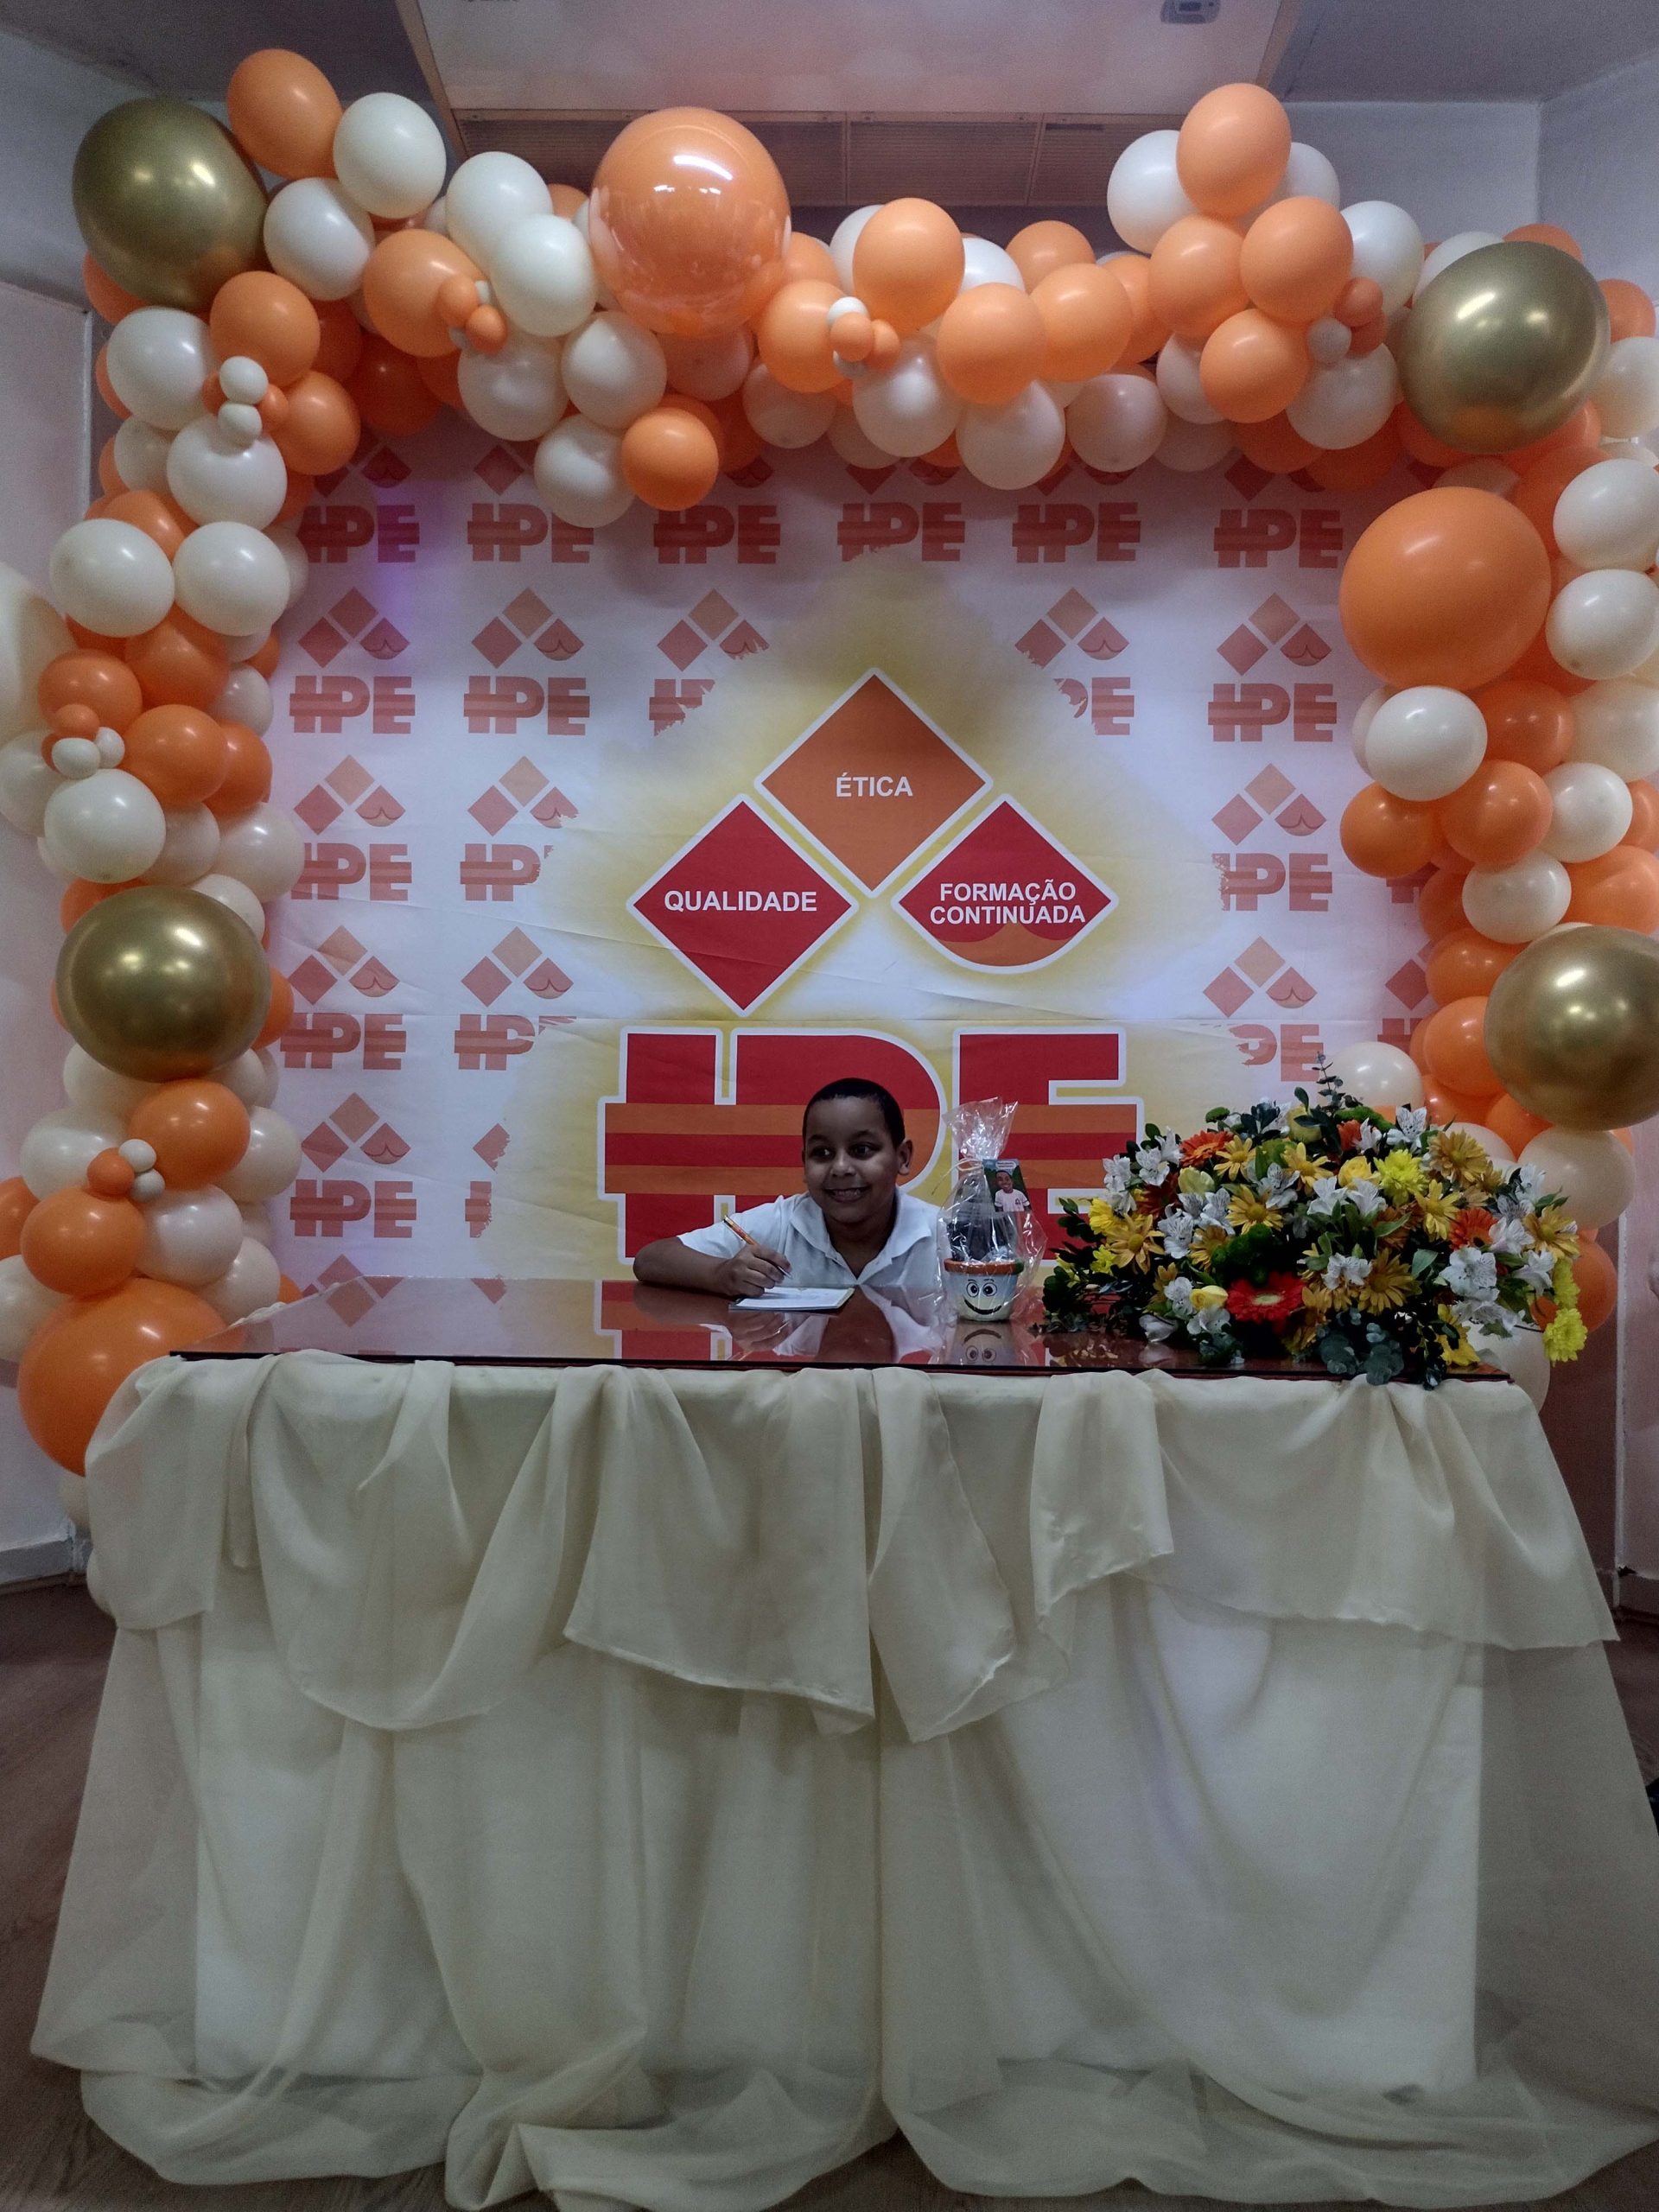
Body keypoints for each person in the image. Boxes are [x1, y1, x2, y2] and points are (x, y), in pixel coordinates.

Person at [632, 1077, 942, 1299]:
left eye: (862, 1150)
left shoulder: (944, 1232)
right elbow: (650, 1259)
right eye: (822, 1153)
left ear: (903, 1157)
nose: (840, 1168)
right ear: (804, 1164)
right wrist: (722, 1274)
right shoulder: (781, 1223)